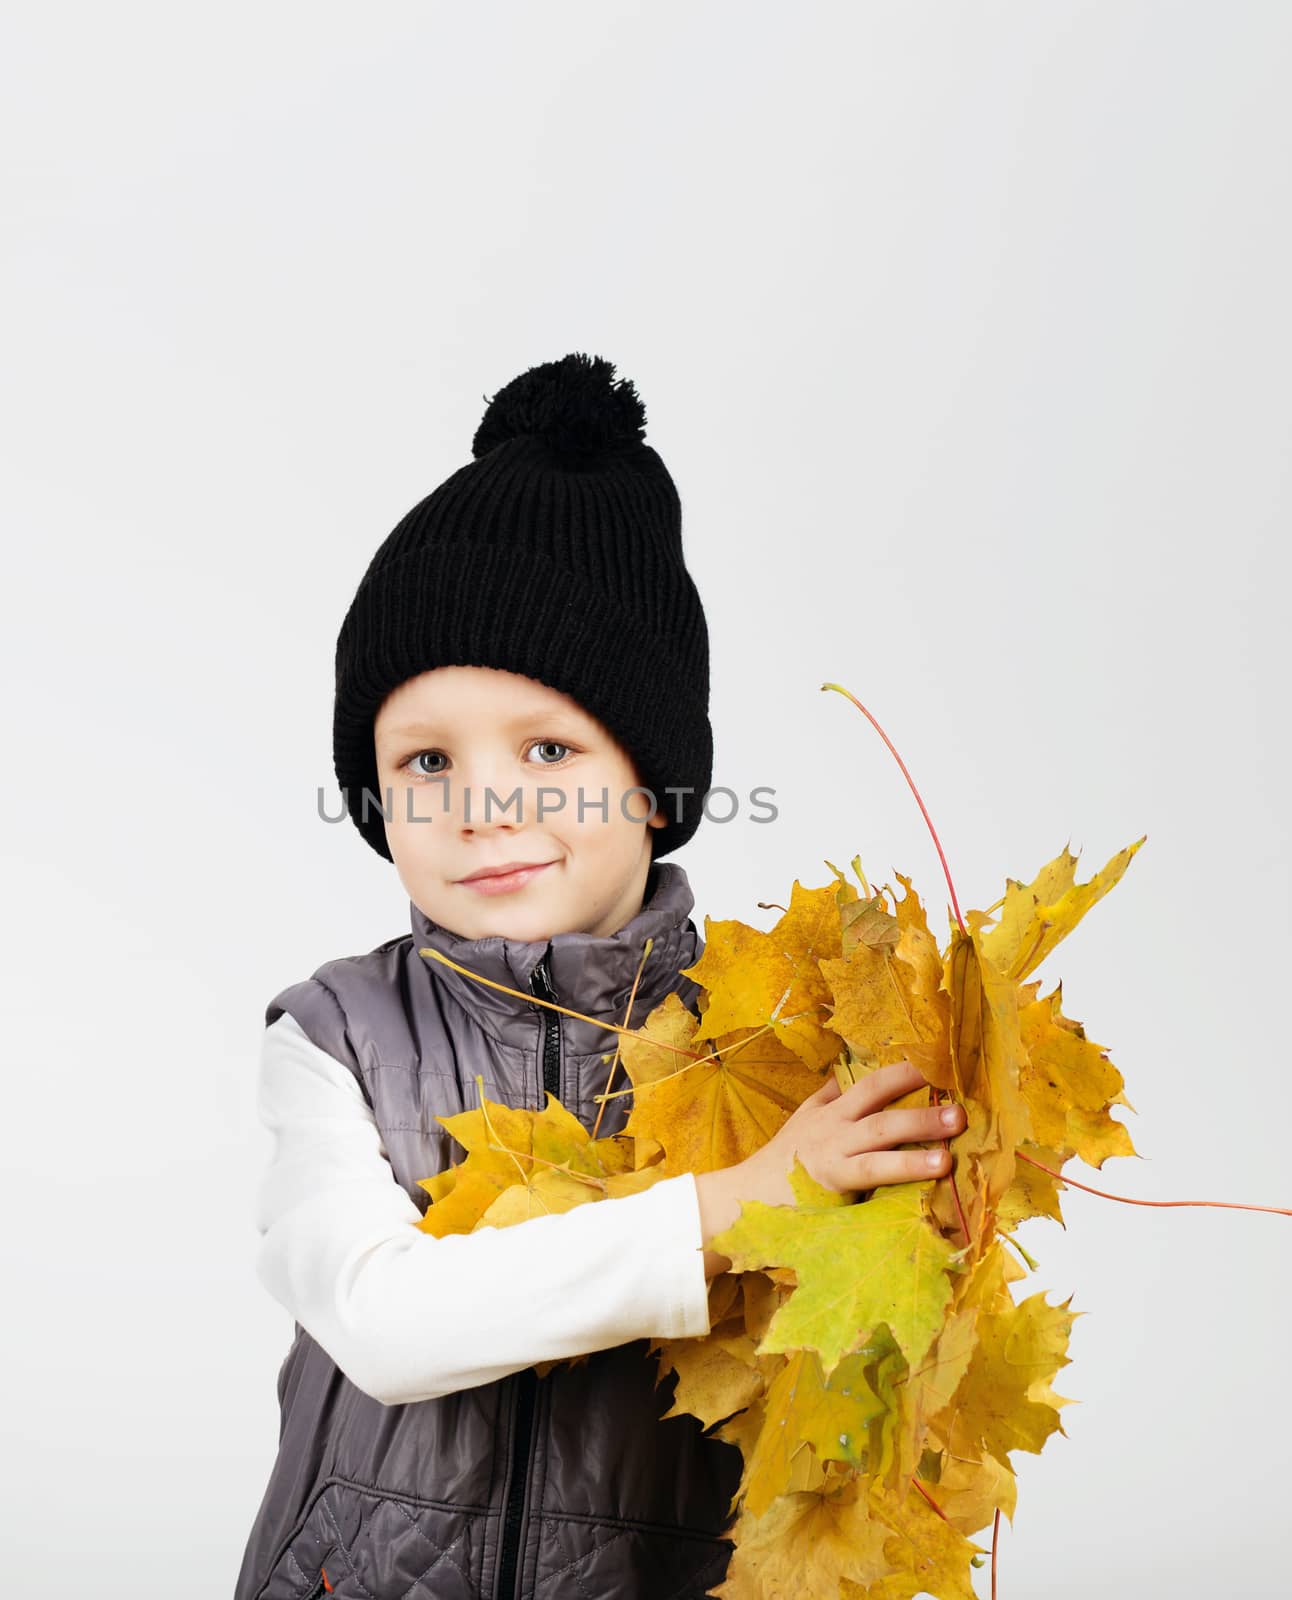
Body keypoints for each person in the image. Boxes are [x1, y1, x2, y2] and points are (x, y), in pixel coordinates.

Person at [233, 352, 962, 1600]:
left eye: (550, 744)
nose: (484, 802)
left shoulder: (774, 1036)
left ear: (655, 780)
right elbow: (387, 1321)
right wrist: (742, 1202)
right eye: (422, 760)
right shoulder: (333, 1038)